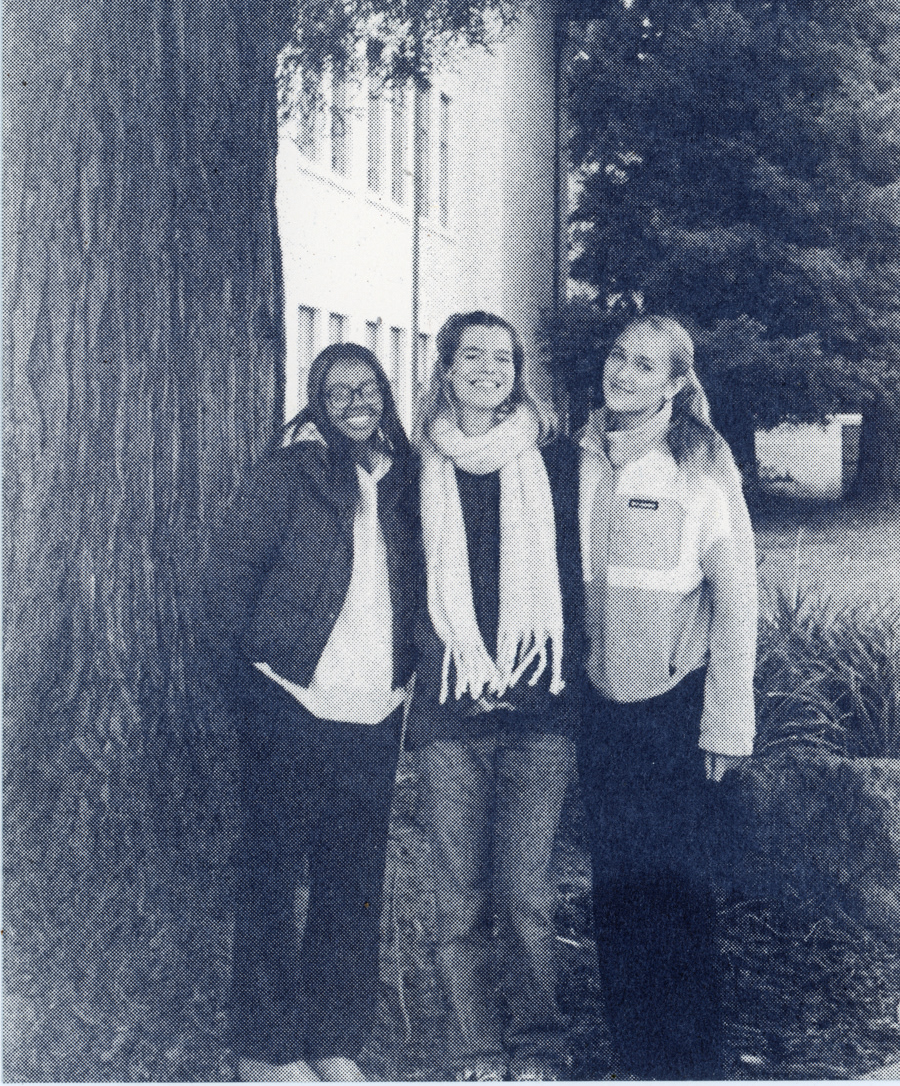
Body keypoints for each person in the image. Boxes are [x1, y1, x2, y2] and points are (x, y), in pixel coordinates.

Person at [204, 343, 420, 1083]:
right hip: (290, 701)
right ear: (317, 402)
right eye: (337, 392)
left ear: (385, 392)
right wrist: (249, 687)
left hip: (376, 707)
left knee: (350, 885)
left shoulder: (406, 478)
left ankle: (333, 1041)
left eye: (367, 387)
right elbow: (228, 581)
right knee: (272, 876)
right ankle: (264, 1050)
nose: (356, 402)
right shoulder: (289, 475)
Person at [575, 313, 758, 1080]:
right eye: (619, 356)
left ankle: (694, 1061)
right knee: (617, 889)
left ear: (677, 384)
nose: (622, 372)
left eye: (645, 365)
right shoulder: (586, 455)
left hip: (675, 708)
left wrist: (727, 721)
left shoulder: (702, 464)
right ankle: (638, 1058)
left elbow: (738, 600)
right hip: (600, 707)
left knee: (677, 891)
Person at [408, 311, 585, 1083]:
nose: (488, 368)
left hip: (539, 717)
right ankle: (476, 1052)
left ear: (518, 373)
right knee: (459, 903)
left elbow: (579, 583)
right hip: (450, 717)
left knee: (526, 899)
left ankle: (539, 1047)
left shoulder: (555, 464)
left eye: (503, 357)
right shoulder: (414, 468)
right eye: (472, 355)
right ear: (447, 369)